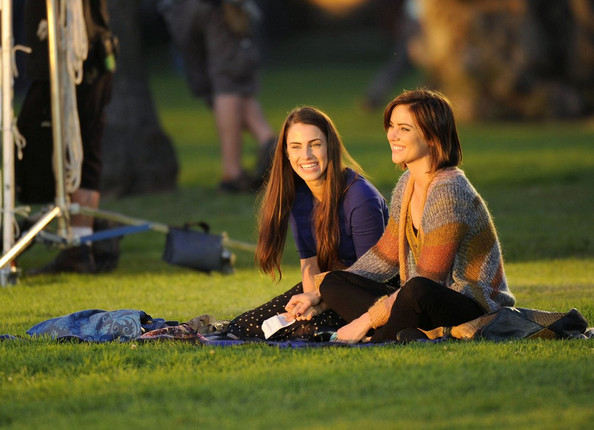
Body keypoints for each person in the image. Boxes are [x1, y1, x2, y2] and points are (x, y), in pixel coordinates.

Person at [286, 89, 516, 343]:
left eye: (404, 129)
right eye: (392, 126)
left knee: (416, 289)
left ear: (432, 136)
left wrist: (364, 321)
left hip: (472, 305)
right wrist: (318, 294)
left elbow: (430, 279)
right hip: (419, 300)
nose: (392, 135)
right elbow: (384, 256)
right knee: (333, 282)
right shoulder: (408, 183)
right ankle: (403, 334)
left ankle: (378, 339)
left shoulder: (449, 190)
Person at [224, 106, 392, 340]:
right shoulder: (300, 195)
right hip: (324, 290)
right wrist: (308, 302)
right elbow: (310, 263)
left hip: (369, 297)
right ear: (286, 152)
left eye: (315, 144)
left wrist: (318, 303)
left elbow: (370, 274)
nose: (306, 155)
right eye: (296, 146)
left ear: (330, 147)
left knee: (303, 330)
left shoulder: (361, 197)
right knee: (243, 327)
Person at [17, 0, 118, 274]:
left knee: (76, 149)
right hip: (70, 53)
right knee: (80, 150)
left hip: (81, 53)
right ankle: (79, 246)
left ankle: (78, 245)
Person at [159, 0, 276, 193]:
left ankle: (267, 143)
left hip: (178, 8)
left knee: (214, 82)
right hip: (216, 6)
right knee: (229, 79)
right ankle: (236, 170)